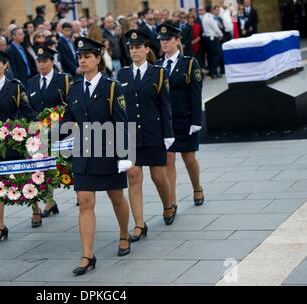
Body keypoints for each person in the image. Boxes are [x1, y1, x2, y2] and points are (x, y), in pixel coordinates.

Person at [61, 37, 132, 275]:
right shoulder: (74, 89)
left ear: (98, 59)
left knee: (116, 197)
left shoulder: (112, 88)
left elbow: (123, 121)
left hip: (109, 152)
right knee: (85, 201)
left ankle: (124, 234)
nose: (82, 60)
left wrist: (125, 155)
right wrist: (58, 141)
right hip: (83, 153)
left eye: (87, 56)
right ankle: (87, 254)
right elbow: (69, 120)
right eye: (80, 57)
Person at [117, 30, 176, 242]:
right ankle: (139, 224)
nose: (134, 51)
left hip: (153, 131)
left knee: (158, 176)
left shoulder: (158, 73)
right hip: (131, 134)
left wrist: (168, 134)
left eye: (138, 47)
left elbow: (165, 106)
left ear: (146, 49)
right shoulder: (122, 75)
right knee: (133, 175)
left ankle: (168, 205)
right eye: (131, 48)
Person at [0, 48, 39, 245]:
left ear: (5, 65)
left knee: (25, 179)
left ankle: (35, 209)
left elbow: (28, 113)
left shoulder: (15, 87)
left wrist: (41, 132)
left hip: (13, 142)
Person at [155, 24, 205, 209]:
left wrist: (196, 121)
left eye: (168, 39)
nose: (164, 43)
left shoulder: (190, 63)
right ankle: (172, 200)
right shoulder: (158, 66)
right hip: (166, 121)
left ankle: (197, 187)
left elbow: (196, 93)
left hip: (185, 119)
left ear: (177, 40)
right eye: (161, 40)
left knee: (189, 157)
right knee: (168, 158)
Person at [26, 46, 70, 217]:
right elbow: (27, 107)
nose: (42, 64)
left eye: (45, 61)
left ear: (52, 62)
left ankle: (75, 195)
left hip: (59, 129)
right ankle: (49, 202)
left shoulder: (63, 80)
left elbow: (69, 104)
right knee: (40, 167)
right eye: (39, 61)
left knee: (58, 166)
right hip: (37, 131)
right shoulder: (31, 82)